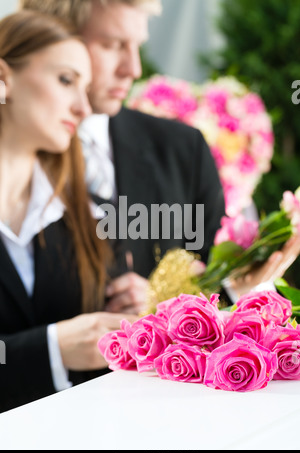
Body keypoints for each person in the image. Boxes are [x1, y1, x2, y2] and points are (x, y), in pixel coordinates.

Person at [19, 0, 300, 313]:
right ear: (53, 38)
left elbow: (219, 285)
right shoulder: (14, 160)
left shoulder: (182, 148)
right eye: (112, 45)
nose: (133, 69)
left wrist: (171, 304)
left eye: (137, 45)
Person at [0, 10, 137, 413]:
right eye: (66, 81)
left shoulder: (94, 217)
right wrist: (52, 349)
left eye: (86, 87)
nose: (82, 107)